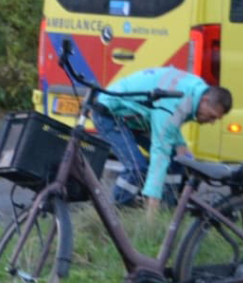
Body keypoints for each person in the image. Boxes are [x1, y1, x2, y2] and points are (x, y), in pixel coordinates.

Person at [90, 66, 233, 209]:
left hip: (136, 118)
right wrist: (153, 198)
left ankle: (167, 209)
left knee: (177, 160)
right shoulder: (178, 103)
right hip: (109, 113)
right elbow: (160, 151)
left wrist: (180, 146)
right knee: (137, 167)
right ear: (205, 100)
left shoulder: (195, 91)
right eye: (212, 116)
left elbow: (170, 125)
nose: (213, 122)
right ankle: (115, 212)